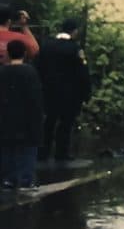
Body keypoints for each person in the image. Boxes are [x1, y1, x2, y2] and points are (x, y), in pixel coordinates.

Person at [36, 18, 91, 162]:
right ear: (74, 31)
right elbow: (82, 73)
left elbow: (38, 67)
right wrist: (86, 93)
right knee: (65, 123)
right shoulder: (75, 49)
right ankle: (61, 153)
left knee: (49, 121)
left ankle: (43, 152)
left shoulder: (46, 45)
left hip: (49, 91)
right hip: (69, 94)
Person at [0, 39, 44, 189]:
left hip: (6, 116)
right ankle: (27, 179)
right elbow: (36, 98)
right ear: (25, 53)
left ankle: (8, 179)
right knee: (28, 148)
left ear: (7, 53)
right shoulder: (30, 72)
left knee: (7, 148)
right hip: (27, 117)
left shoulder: (2, 71)